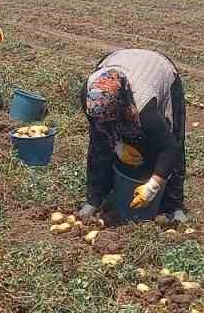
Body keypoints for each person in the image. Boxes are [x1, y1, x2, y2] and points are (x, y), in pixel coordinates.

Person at [77, 49, 187, 224]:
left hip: (158, 69)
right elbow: (99, 130)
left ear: (123, 105)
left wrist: (152, 186)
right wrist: (117, 145)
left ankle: (173, 206)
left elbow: (170, 147)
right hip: (116, 60)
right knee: (99, 144)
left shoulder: (145, 109)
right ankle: (96, 198)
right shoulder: (90, 97)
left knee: (172, 136)